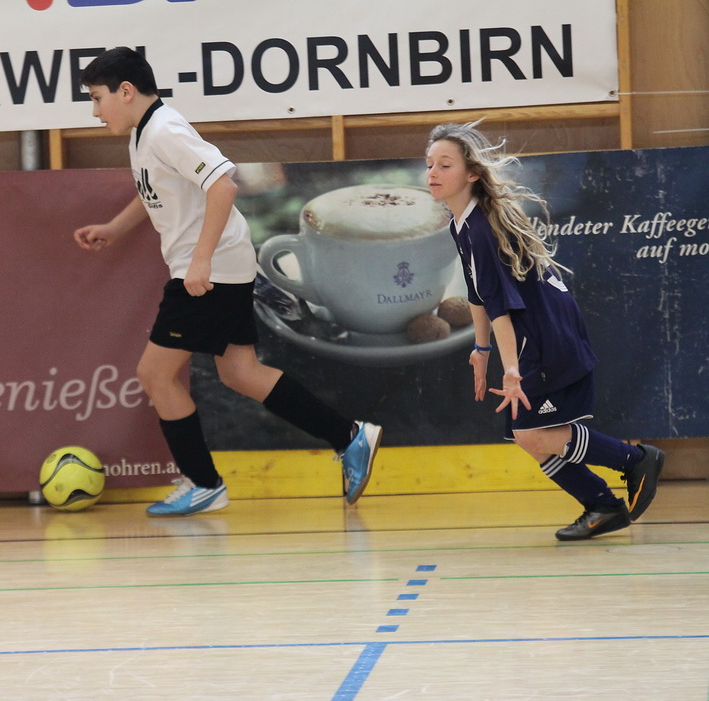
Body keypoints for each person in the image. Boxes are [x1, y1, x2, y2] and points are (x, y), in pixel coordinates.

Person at [73, 47, 382, 517]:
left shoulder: (166, 130)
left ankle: (204, 483)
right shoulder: (144, 134)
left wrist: (200, 261)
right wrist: (115, 229)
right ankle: (350, 436)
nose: (96, 112)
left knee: (155, 375)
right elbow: (155, 191)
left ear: (126, 91)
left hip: (209, 272)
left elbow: (224, 183)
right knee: (240, 372)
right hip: (222, 266)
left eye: (98, 98)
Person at [425, 122, 665, 541]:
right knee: (528, 436)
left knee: (533, 432)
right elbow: (478, 294)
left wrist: (511, 369)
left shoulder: (480, 229)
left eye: (445, 165)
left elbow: (501, 307)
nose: (432, 173)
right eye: (429, 164)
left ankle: (635, 460)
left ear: (473, 173)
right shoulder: (461, 223)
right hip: (536, 331)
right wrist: (481, 349)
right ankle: (603, 506)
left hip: (545, 335)